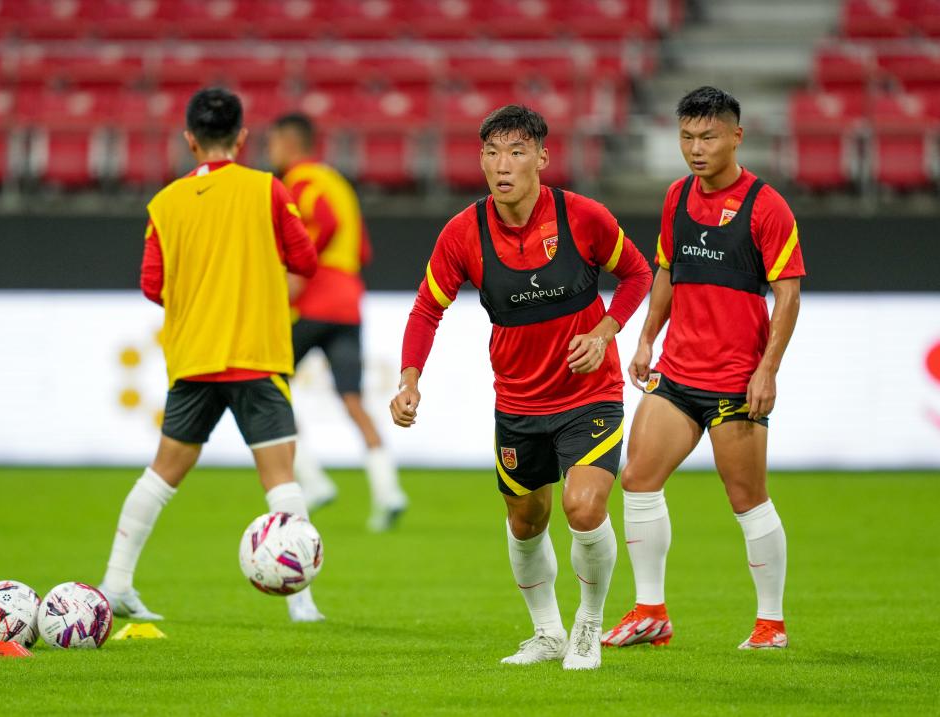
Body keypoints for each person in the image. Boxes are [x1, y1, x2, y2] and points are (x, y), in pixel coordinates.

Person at [390, 105, 651, 669]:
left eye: (515, 152)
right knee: (525, 521)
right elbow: (427, 309)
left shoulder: (583, 217)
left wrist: (605, 332)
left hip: (589, 395)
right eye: (491, 153)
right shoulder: (463, 232)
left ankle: (588, 625)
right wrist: (409, 379)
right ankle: (547, 633)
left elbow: (638, 273)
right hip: (518, 403)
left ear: (542, 157)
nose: (502, 165)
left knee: (583, 508)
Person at [98, 88, 326, 623]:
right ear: (242, 138)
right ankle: (302, 602)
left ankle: (116, 584)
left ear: (190, 139)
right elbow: (306, 260)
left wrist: (200, 297)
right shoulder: (267, 190)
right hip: (256, 354)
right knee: (281, 480)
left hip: (195, 358)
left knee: (160, 476)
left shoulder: (165, 203)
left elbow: (151, 284)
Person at [601, 86, 804, 651]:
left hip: (736, 380)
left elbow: (787, 296)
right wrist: (646, 340)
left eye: (708, 137)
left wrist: (767, 370)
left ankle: (770, 624)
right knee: (637, 479)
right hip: (677, 373)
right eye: (687, 137)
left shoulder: (766, 206)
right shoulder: (677, 196)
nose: (696, 148)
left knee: (747, 498)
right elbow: (667, 271)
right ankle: (651, 612)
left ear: (736, 136)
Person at [267, 113, 408, 532]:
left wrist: (298, 271)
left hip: (314, 301)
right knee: (352, 398)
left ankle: (311, 480)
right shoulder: (339, 182)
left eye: (272, 143)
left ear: (289, 143)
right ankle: (388, 491)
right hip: (348, 303)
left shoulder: (301, 181)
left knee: (269, 382)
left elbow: (322, 223)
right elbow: (361, 249)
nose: (270, 151)